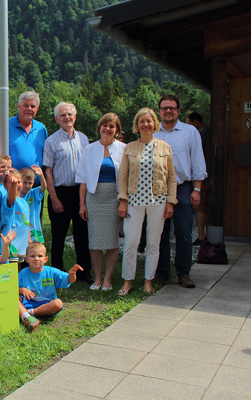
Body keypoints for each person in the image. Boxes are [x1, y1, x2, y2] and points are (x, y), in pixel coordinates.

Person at [117, 108, 177, 295]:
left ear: (154, 123)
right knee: (131, 241)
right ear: (137, 125)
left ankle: (148, 281)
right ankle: (127, 281)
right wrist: (123, 200)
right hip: (134, 200)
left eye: (149, 121)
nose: (145, 124)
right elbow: (123, 177)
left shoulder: (164, 147)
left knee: (153, 242)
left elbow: (171, 178)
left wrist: (170, 202)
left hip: (158, 200)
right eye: (142, 121)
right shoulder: (130, 147)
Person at [154, 95, 207, 288]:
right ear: (159, 111)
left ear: (178, 110)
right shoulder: (153, 131)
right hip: (158, 189)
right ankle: (162, 273)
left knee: (184, 233)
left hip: (182, 187)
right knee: (160, 233)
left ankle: (183, 273)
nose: (168, 111)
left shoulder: (190, 131)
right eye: (164, 108)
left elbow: (197, 161)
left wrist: (197, 189)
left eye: (172, 108)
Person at [42, 102, 93, 283]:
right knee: (59, 236)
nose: (67, 117)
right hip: (60, 193)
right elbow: (48, 171)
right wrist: (54, 198)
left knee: (82, 235)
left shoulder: (83, 139)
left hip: (80, 193)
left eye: (70, 114)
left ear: (75, 117)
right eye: (63, 115)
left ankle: (84, 271)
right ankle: (58, 272)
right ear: (57, 119)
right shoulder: (51, 141)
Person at [76, 113, 126, 291]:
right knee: (95, 242)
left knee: (112, 241)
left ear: (117, 130)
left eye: (112, 126)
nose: (108, 129)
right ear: (99, 127)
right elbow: (83, 179)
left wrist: (124, 201)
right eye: (105, 125)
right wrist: (82, 204)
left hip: (114, 198)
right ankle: (97, 278)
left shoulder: (123, 149)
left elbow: (126, 177)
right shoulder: (89, 149)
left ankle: (108, 279)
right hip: (94, 198)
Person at [18, 242, 83, 332]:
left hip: (46, 304)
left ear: (45, 259)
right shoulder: (23, 273)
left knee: (58, 303)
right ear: (26, 259)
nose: (36, 259)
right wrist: (21, 290)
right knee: (14, 297)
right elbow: (13, 289)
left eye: (40, 256)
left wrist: (72, 274)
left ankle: (28, 313)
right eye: (32, 256)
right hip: (28, 302)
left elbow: (69, 280)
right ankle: (27, 316)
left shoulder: (51, 271)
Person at [0, 91, 48, 182]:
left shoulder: (41, 129)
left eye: (33, 106)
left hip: (36, 186)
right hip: (12, 184)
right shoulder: (5, 126)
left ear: (37, 108)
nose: (29, 109)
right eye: (26, 105)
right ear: (18, 106)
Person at [186, 112, 210, 245]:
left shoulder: (199, 133)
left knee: (199, 207)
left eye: (189, 123)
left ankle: (201, 236)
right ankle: (205, 234)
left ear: (195, 122)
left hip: (201, 175)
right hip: (208, 173)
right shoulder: (208, 131)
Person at [1, 170, 31, 260]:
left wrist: (29, 240)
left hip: (22, 244)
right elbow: (11, 197)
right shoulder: (8, 198)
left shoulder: (23, 201)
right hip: (11, 243)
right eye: (11, 182)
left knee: (19, 267)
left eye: (18, 182)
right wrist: (13, 185)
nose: (16, 185)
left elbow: (26, 222)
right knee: (11, 267)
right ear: (4, 185)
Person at [20, 166, 47, 243]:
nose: (27, 185)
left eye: (30, 183)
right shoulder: (15, 196)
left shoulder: (34, 193)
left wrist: (41, 175)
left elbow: (44, 187)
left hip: (34, 232)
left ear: (33, 183)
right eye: (24, 182)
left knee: (35, 249)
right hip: (20, 231)